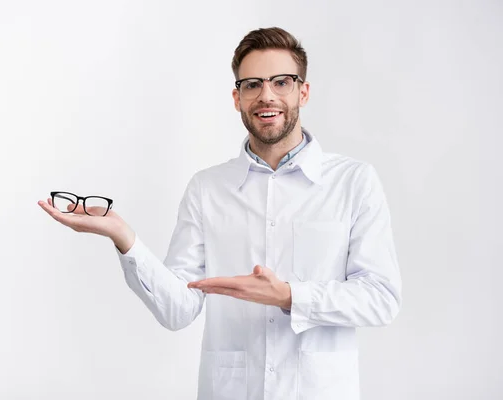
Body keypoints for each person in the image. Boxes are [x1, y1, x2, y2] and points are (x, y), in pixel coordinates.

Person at [38, 26, 402, 400]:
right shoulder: (207, 188)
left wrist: (290, 296)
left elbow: (381, 298)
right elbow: (177, 309)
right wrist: (124, 238)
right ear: (237, 97)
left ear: (303, 92)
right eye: (252, 84)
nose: (266, 96)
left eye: (281, 82)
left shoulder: (353, 182)